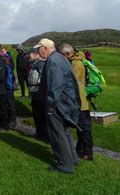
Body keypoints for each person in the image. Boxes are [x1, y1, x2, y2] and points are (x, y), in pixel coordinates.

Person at [37, 38, 81, 174]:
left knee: (57, 133)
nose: (38, 52)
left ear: (45, 48)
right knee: (64, 132)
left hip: (58, 102)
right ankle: (72, 159)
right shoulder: (60, 58)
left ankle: (65, 165)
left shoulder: (53, 61)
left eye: (39, 49)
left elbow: (55, 84)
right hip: (66, 101)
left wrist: (50, 104)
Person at [59, 44, 94, 161]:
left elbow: (71, 81)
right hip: (78, 100)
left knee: (85, 128)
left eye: (63, 55)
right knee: (81, 128)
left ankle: (88, 153)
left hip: (80, 102)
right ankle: (80, 150)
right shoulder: (75, 62)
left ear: (69, 54)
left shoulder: (77, 64)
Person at [28, 47, 47, 141]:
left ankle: (44, 135)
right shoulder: (34, 64)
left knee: (41, 114)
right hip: (34, 92)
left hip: (39, 92)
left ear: (37, 54)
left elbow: (44, 78)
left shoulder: (41, 64)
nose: (29, 55)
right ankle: (39, 133)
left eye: (30, 53)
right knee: (36, 114)